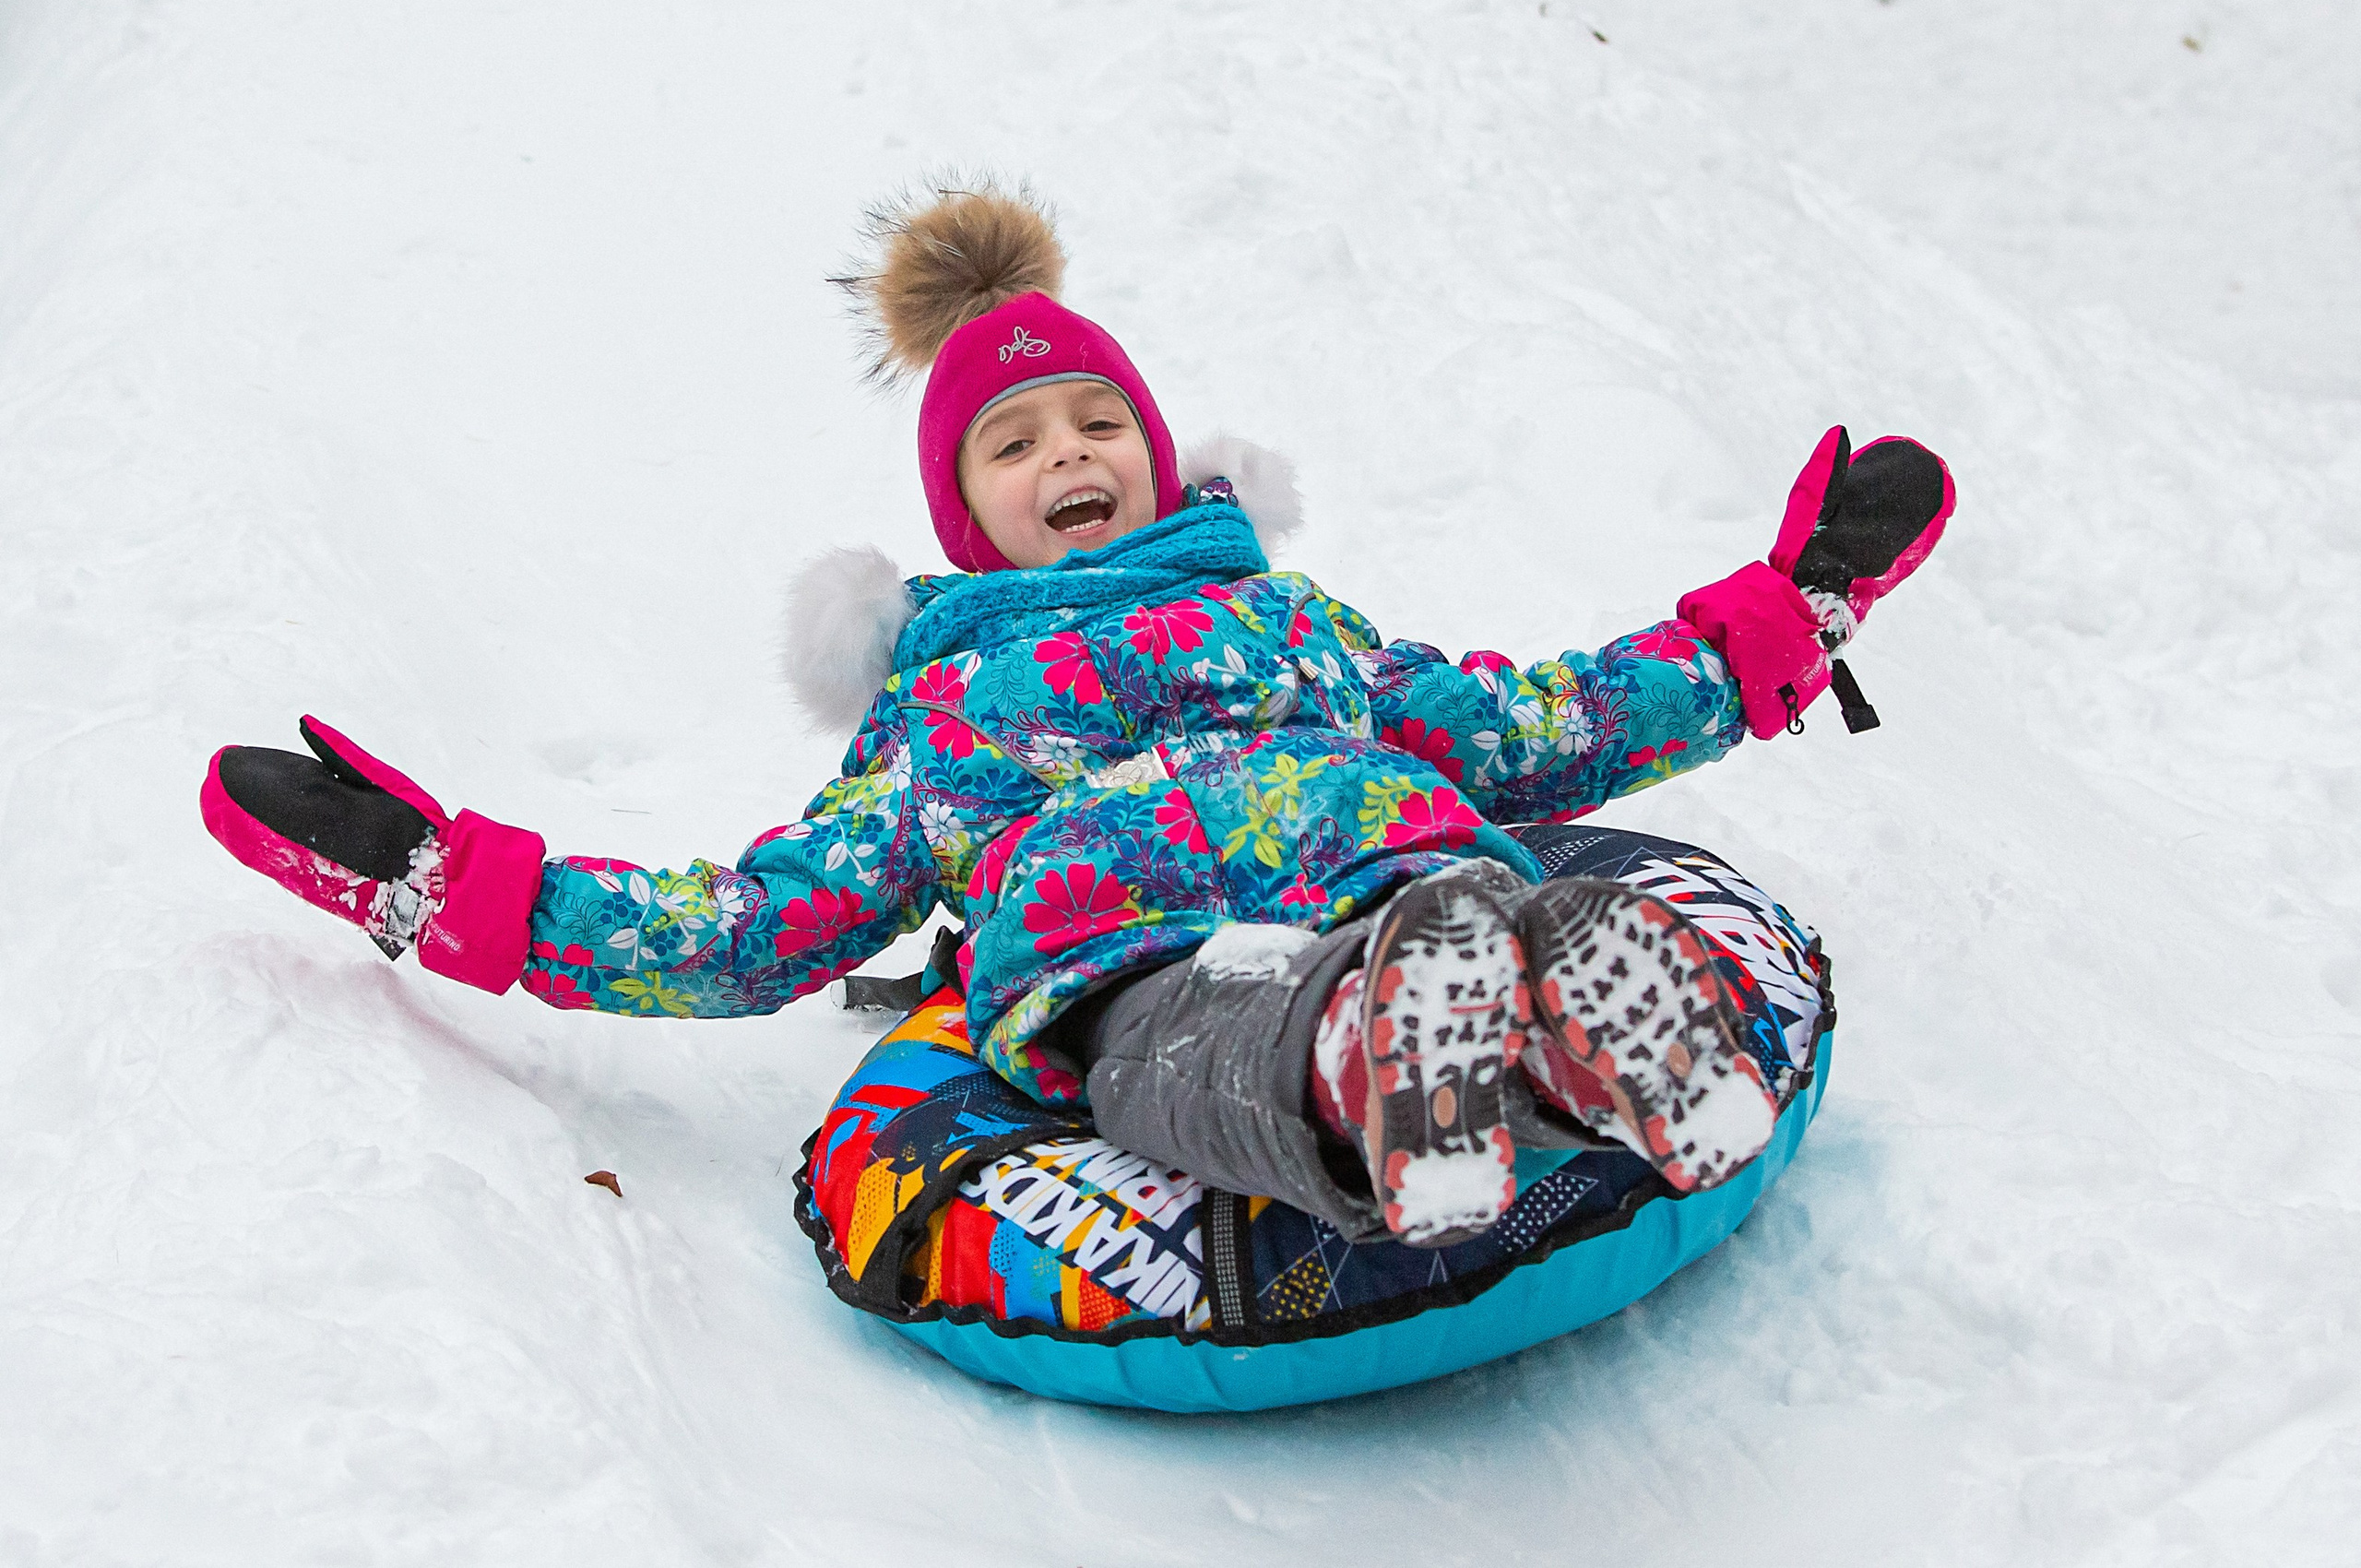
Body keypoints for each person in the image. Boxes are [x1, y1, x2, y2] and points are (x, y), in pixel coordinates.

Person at [202, 183, 1952, 1248]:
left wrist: (1784, 617)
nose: (1069, 460)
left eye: (1092, 423)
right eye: (1015, 447)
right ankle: (1383, 1071)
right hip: (1145, 962)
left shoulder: (1284, 620)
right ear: (967, 521)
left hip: (1396, 872)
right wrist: (449, 881)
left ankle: (1572, 1018)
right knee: (1240, 1037)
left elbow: (1538, 725)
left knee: (1483, 904)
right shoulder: (945, 701)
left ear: (1152, 439)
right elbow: (745, 928)